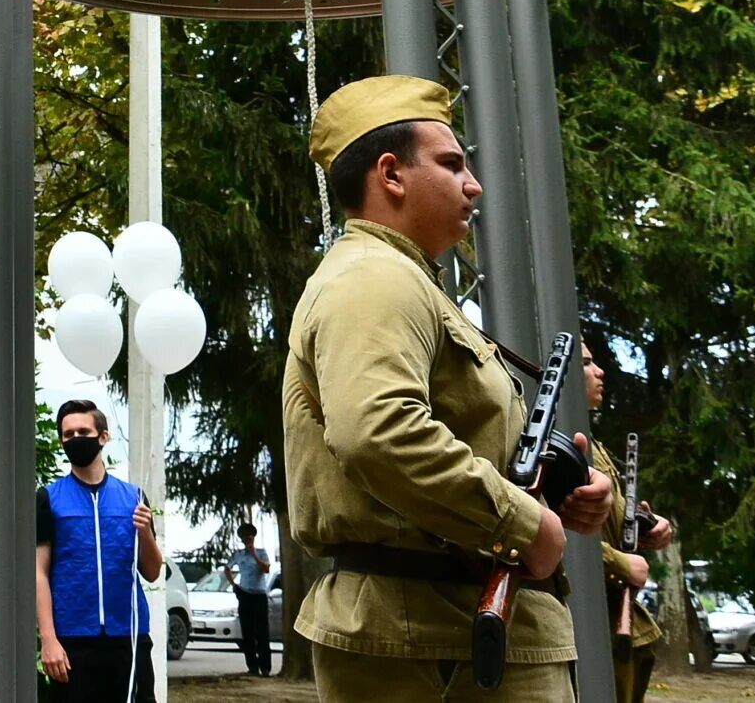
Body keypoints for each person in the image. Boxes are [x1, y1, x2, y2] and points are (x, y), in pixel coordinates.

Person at [282, 74, 616, 703]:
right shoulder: (376, 278)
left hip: (449, 630)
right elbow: (378, 432)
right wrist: (526, 525)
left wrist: (564, 491)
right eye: (452, 163)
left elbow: (465, 439)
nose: (474, 184)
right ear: (391, 174)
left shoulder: (406, 281)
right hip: (433, 637)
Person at [34, 399, 163, 703]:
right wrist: (48, 639)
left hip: (129, 637)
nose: (76, 439)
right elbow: (38, 572)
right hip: (73, 639)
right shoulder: (48, 499)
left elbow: (153, 571)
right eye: (68, 435)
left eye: (83, 431)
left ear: (103, 437)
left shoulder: (133, 497)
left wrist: (145, 533)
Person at [583, 343, 673, 703]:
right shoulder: (558, 444)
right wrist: (620, 564)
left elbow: (611, 521)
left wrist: (648, 524)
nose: (600, 371)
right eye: (587, 363)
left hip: (612, 615)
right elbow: (549, 527)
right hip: (587, 619)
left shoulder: (594, 445)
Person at [223, 522, 275, 678]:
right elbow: (227, 568)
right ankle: (252, 666)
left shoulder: (261, 552)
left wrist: (254, 555)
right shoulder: (239, 554)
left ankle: (265, 667)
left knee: (262, 632)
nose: (248, 541)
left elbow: (266, 569)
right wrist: (234, 585)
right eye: (245, 538)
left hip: (259, 595)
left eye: (250, 538)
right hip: (244, 594)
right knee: (247, 632)